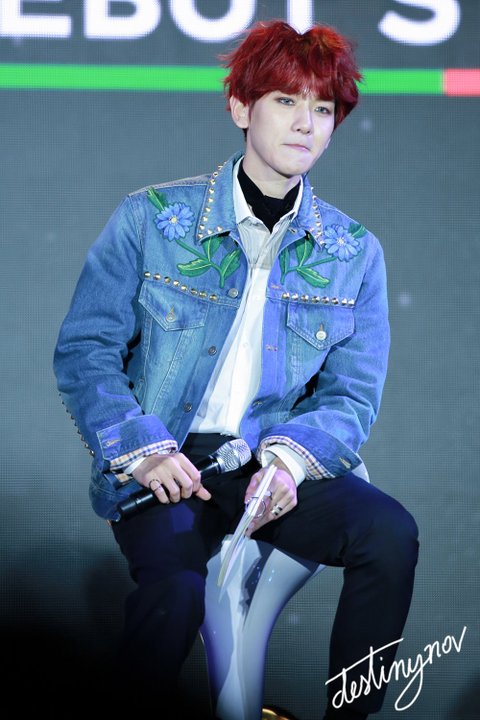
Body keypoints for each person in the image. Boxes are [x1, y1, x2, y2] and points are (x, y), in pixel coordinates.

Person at [53, 19, 419, 720]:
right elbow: (85, 351)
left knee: (390, 535)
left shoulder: (354, 252)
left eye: (322, 109)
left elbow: (352, 393)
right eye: (286, 101)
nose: (306, 124)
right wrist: (142, 448)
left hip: (273, 468)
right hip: (170, 466)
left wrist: (289, 464)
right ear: (241, 107)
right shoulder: (151, 218)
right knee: (175, 595)